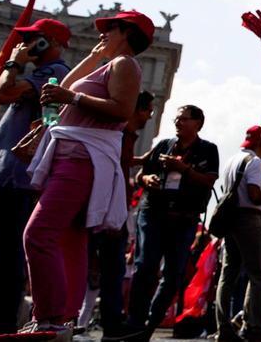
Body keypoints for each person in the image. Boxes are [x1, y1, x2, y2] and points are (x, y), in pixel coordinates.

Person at [23, 11, 152, 339]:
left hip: (80, 162)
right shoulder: (110, 63)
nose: (101, 35)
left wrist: (74, 98)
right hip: (76, 160)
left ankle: (49, 318)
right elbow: (62, 86)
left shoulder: (126, 65)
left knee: (38, 234)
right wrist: (94, 59)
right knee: (71, 240)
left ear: (126, 32)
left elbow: (121, 109)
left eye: (109, 30)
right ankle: (63, 320)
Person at [0, 18, 71, 339]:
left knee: (9, 255)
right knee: (2, 254)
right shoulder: (39, 72)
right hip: (8, 173)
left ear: (49, 42)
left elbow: (4, 93)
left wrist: (14, 61)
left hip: (20, 176)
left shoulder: (53, 72)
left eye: (34, 39)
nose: (26, 44)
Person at [125, 103, 219, 337]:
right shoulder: (163, 145)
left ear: (197, 123)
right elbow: (140, 175)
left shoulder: (208, 149)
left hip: (184, 219)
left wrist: (183, 169)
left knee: (174, 274)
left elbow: (208, 181)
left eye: (184, 119)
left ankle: (149, 323)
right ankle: (134, 323)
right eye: (177, 119)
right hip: (153, 213)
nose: (178, 122)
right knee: (145, 266)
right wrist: (147, 179)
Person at [88, 90, 155, 341]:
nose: (150, 115)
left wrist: (139, 160)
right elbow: (109, 171)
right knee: (109, 271)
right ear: (140, 110)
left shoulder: (124, 134)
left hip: (111, 211)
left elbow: (121, 163)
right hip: (107, 214)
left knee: (111, 272)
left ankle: (112, 326)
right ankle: (111, 326)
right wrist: (110, 216)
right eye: (149, 110)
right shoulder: (120, 132)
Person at [214, 126, 261, 342]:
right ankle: (256, 327)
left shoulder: (233, 160)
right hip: (248, 219)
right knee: (258, 273)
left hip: (230, 220)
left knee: (227, 275)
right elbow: (254, 194)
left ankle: (223, 328)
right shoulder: (255, 161)